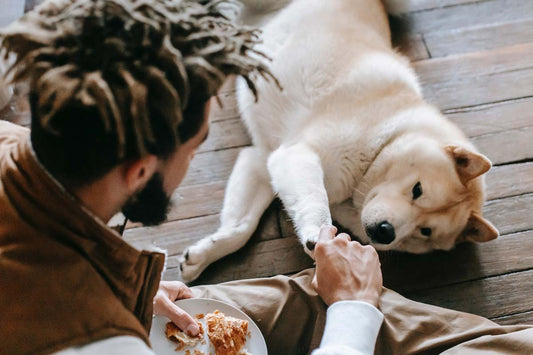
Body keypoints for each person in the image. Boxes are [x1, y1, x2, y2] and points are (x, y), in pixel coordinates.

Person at [1, 1, 532, 355]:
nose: (193, 160)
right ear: (141, 170)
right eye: (196, 148)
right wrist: (352, 310)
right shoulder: (96, 340)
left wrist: (129, 290)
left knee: (311, 296)